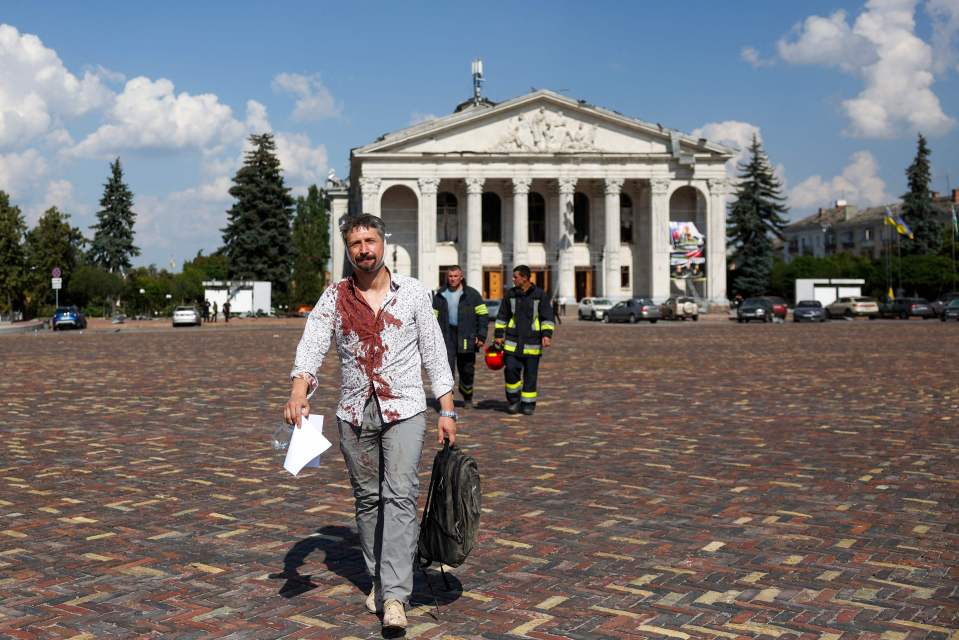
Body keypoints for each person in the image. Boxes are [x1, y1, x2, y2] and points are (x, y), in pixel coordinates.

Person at [285, 213, 455, 632]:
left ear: (384, 244)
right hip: (355, 412)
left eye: (370, 240)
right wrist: (297, 392)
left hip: (406, 410)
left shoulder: (413, 293)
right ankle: (380, 578)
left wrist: (447, 410)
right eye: (356, 243)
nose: (364, 249)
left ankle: (395, 596)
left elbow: (435, 352)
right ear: (348, 249)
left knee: (399, 495)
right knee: (368, 500)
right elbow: (311, 347)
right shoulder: (334, 298)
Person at [493, 265, 555, 415]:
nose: (513, 279)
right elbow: (502, 316)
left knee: (530, 375)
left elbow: (547, 317)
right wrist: (498, 335)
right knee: (511, 370)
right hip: (512, 343)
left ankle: (528, 404)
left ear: (525, 278)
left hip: (532, 343)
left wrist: (546, 335)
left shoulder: (540, 295)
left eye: (515, 277)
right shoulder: (510, 294)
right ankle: (514, 400)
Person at [432, 266, 489, 408]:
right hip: (446, 338)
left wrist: (481, 336)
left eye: (455, 276)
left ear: (461, 277)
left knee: (467, 370)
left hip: (466, 337)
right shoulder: (440, 295)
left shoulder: (472, 295)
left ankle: (467, 396)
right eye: (450, 276)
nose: (452, 279)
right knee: (446, 370)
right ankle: (447, 401)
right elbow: (432, 318)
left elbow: (483, 315)